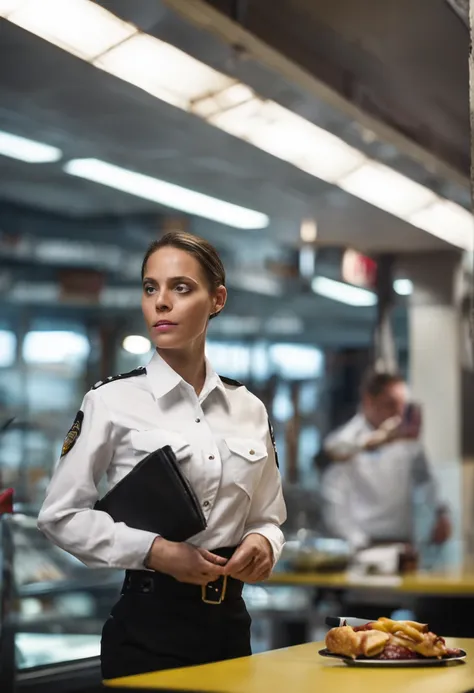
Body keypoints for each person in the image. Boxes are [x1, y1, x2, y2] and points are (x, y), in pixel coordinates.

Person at [37, 231, 286, 680]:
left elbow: (268, 516)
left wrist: (265, 543)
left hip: (230, 630)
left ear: (217, 300)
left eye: (181, 288)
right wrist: (154, 550)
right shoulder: (111, 401)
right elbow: (60, 515)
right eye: (151, 288)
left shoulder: (249, 408)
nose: (161, 302)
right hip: (147, 630)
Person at [320, 371, 451, 552]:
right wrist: (358, 541)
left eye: (402, 406)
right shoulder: (345, 440)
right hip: (362, 545)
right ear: (368, 401)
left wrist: (441, 513)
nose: (398, 413)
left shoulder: (408, 443)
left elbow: (427, 480)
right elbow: (335, 501)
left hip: (403, 542)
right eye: (390, 405)